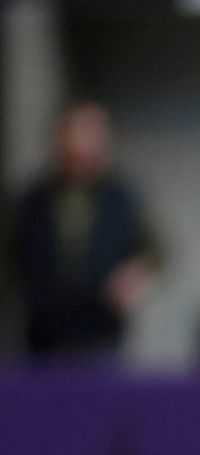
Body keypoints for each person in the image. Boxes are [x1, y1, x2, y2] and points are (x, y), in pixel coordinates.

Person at [10, 101, 156, 357]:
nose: (83, 143)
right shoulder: (32, 200)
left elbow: (154, 249)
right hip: (43, 332)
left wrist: (135, 274)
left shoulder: (121, 197)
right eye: (76, 131)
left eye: (92, 132)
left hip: (103, 331)